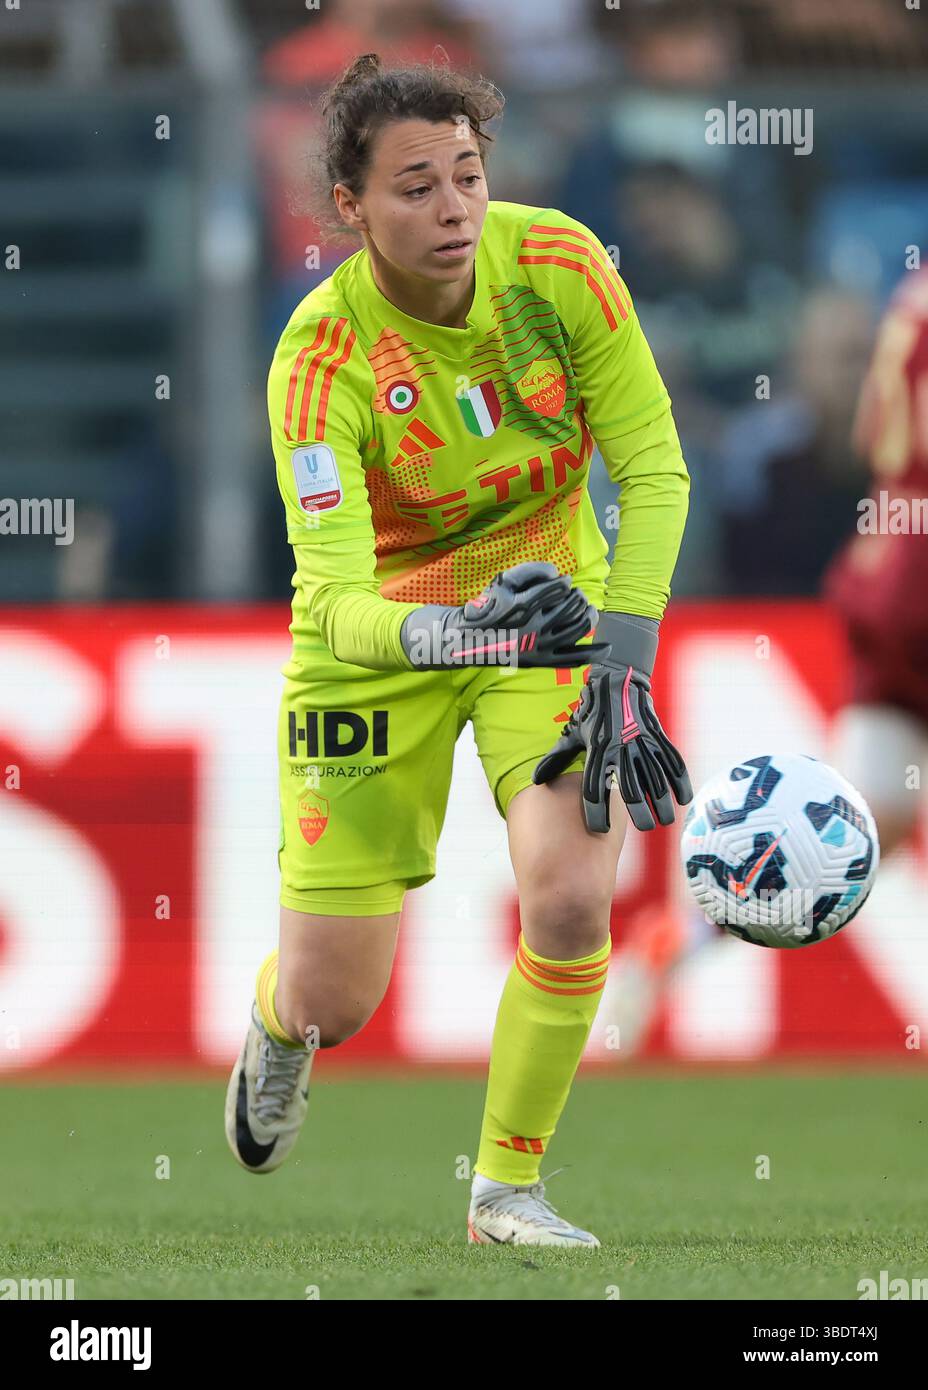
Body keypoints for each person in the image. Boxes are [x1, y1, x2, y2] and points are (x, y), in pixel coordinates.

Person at [225, 52, 692, 1247]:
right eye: (415, 187)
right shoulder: (320, 360)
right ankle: (280, 1027)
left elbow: (651, 467)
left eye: (469, 177)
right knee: (340, 996)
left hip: (546, 614)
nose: (453, 211)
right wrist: (447, 625)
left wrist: (620, 655)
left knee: (573, 900)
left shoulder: (559, 265)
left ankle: (503, 1193)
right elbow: (331, 602)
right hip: (385, 641)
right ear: (349, 207)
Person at [825, 268, 928, 858]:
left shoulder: (913, 294)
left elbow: (870, 436)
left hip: (888, 559)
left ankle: (674, 943)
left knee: (850, 832)